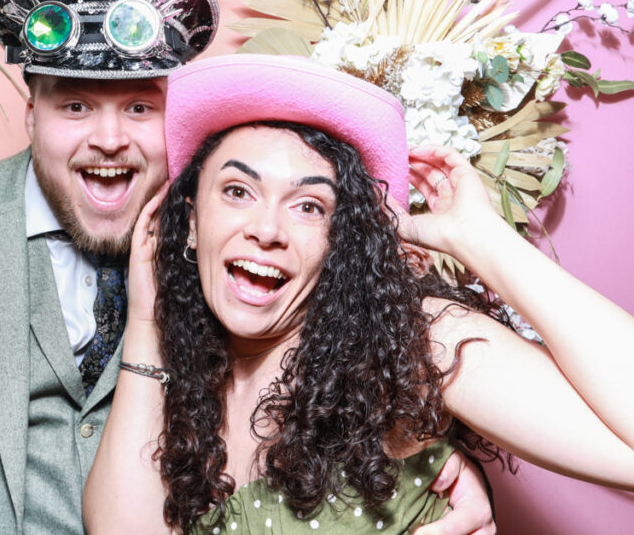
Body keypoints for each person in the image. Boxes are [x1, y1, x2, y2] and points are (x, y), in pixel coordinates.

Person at [0, 0, 492, 533]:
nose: (109, 138)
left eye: (141, 109)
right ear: (31, 113)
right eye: (77, 104)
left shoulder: (234, 261)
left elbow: (342, 362)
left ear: (180, 126)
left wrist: (430, 465)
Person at [83, 53, 634, 533]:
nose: (267, 229)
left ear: (341, 239)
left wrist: (482, 241)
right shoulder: (184, 373)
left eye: (309, 206)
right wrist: (145, 323)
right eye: (237, 190)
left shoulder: (408, 344)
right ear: (193, 223)